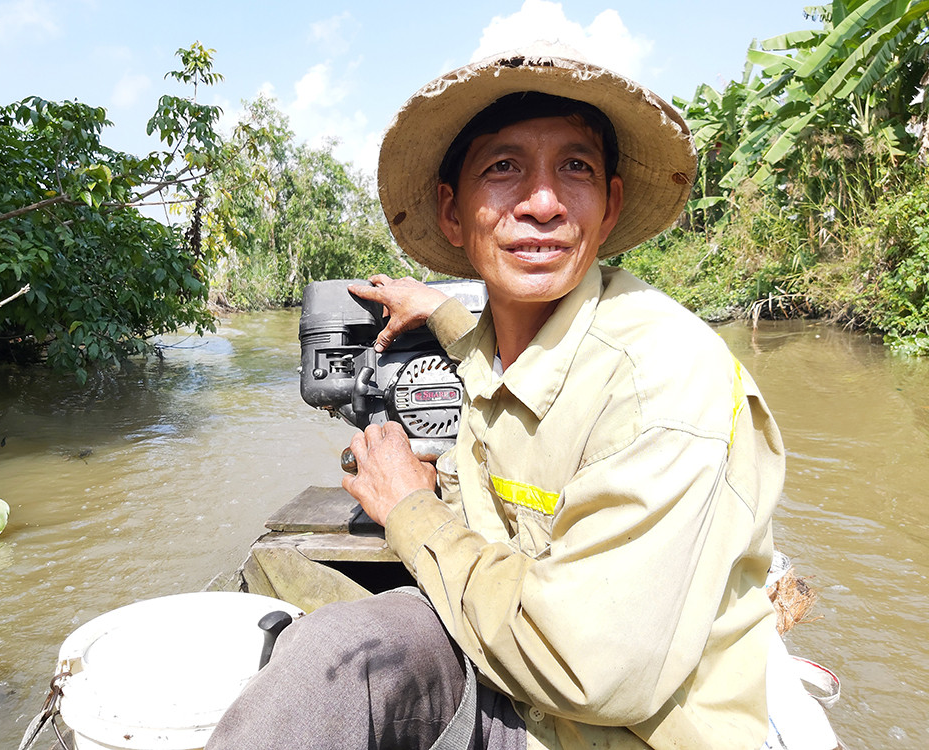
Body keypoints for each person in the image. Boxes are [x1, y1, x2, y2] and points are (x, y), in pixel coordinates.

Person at [208, 42, 784, 750]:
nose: (542, 204)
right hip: (506, 684)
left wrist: (409, 507)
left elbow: (585, 671)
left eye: (575, 167)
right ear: (452, 212)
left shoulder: (662, 380)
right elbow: (495, 353)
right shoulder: (498, 347)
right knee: (331, 657)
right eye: (503, 168)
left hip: (605, 728)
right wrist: (439, 310)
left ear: (609, 207)